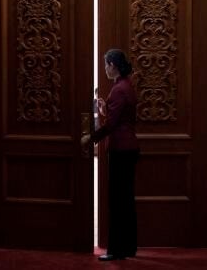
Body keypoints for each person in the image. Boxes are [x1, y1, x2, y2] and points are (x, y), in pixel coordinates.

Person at [81, 48, 139, 261]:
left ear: (113, 65)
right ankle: (129, 247)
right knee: (126, 200)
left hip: (121, 150)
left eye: (106, 64)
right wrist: (106, 110)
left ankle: (116, 250)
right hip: (130, 147)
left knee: (117, 201)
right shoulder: (127, 86)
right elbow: (121, 118)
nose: (104, 68)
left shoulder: (117, 90)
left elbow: (112, 126)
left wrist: (91, 138)